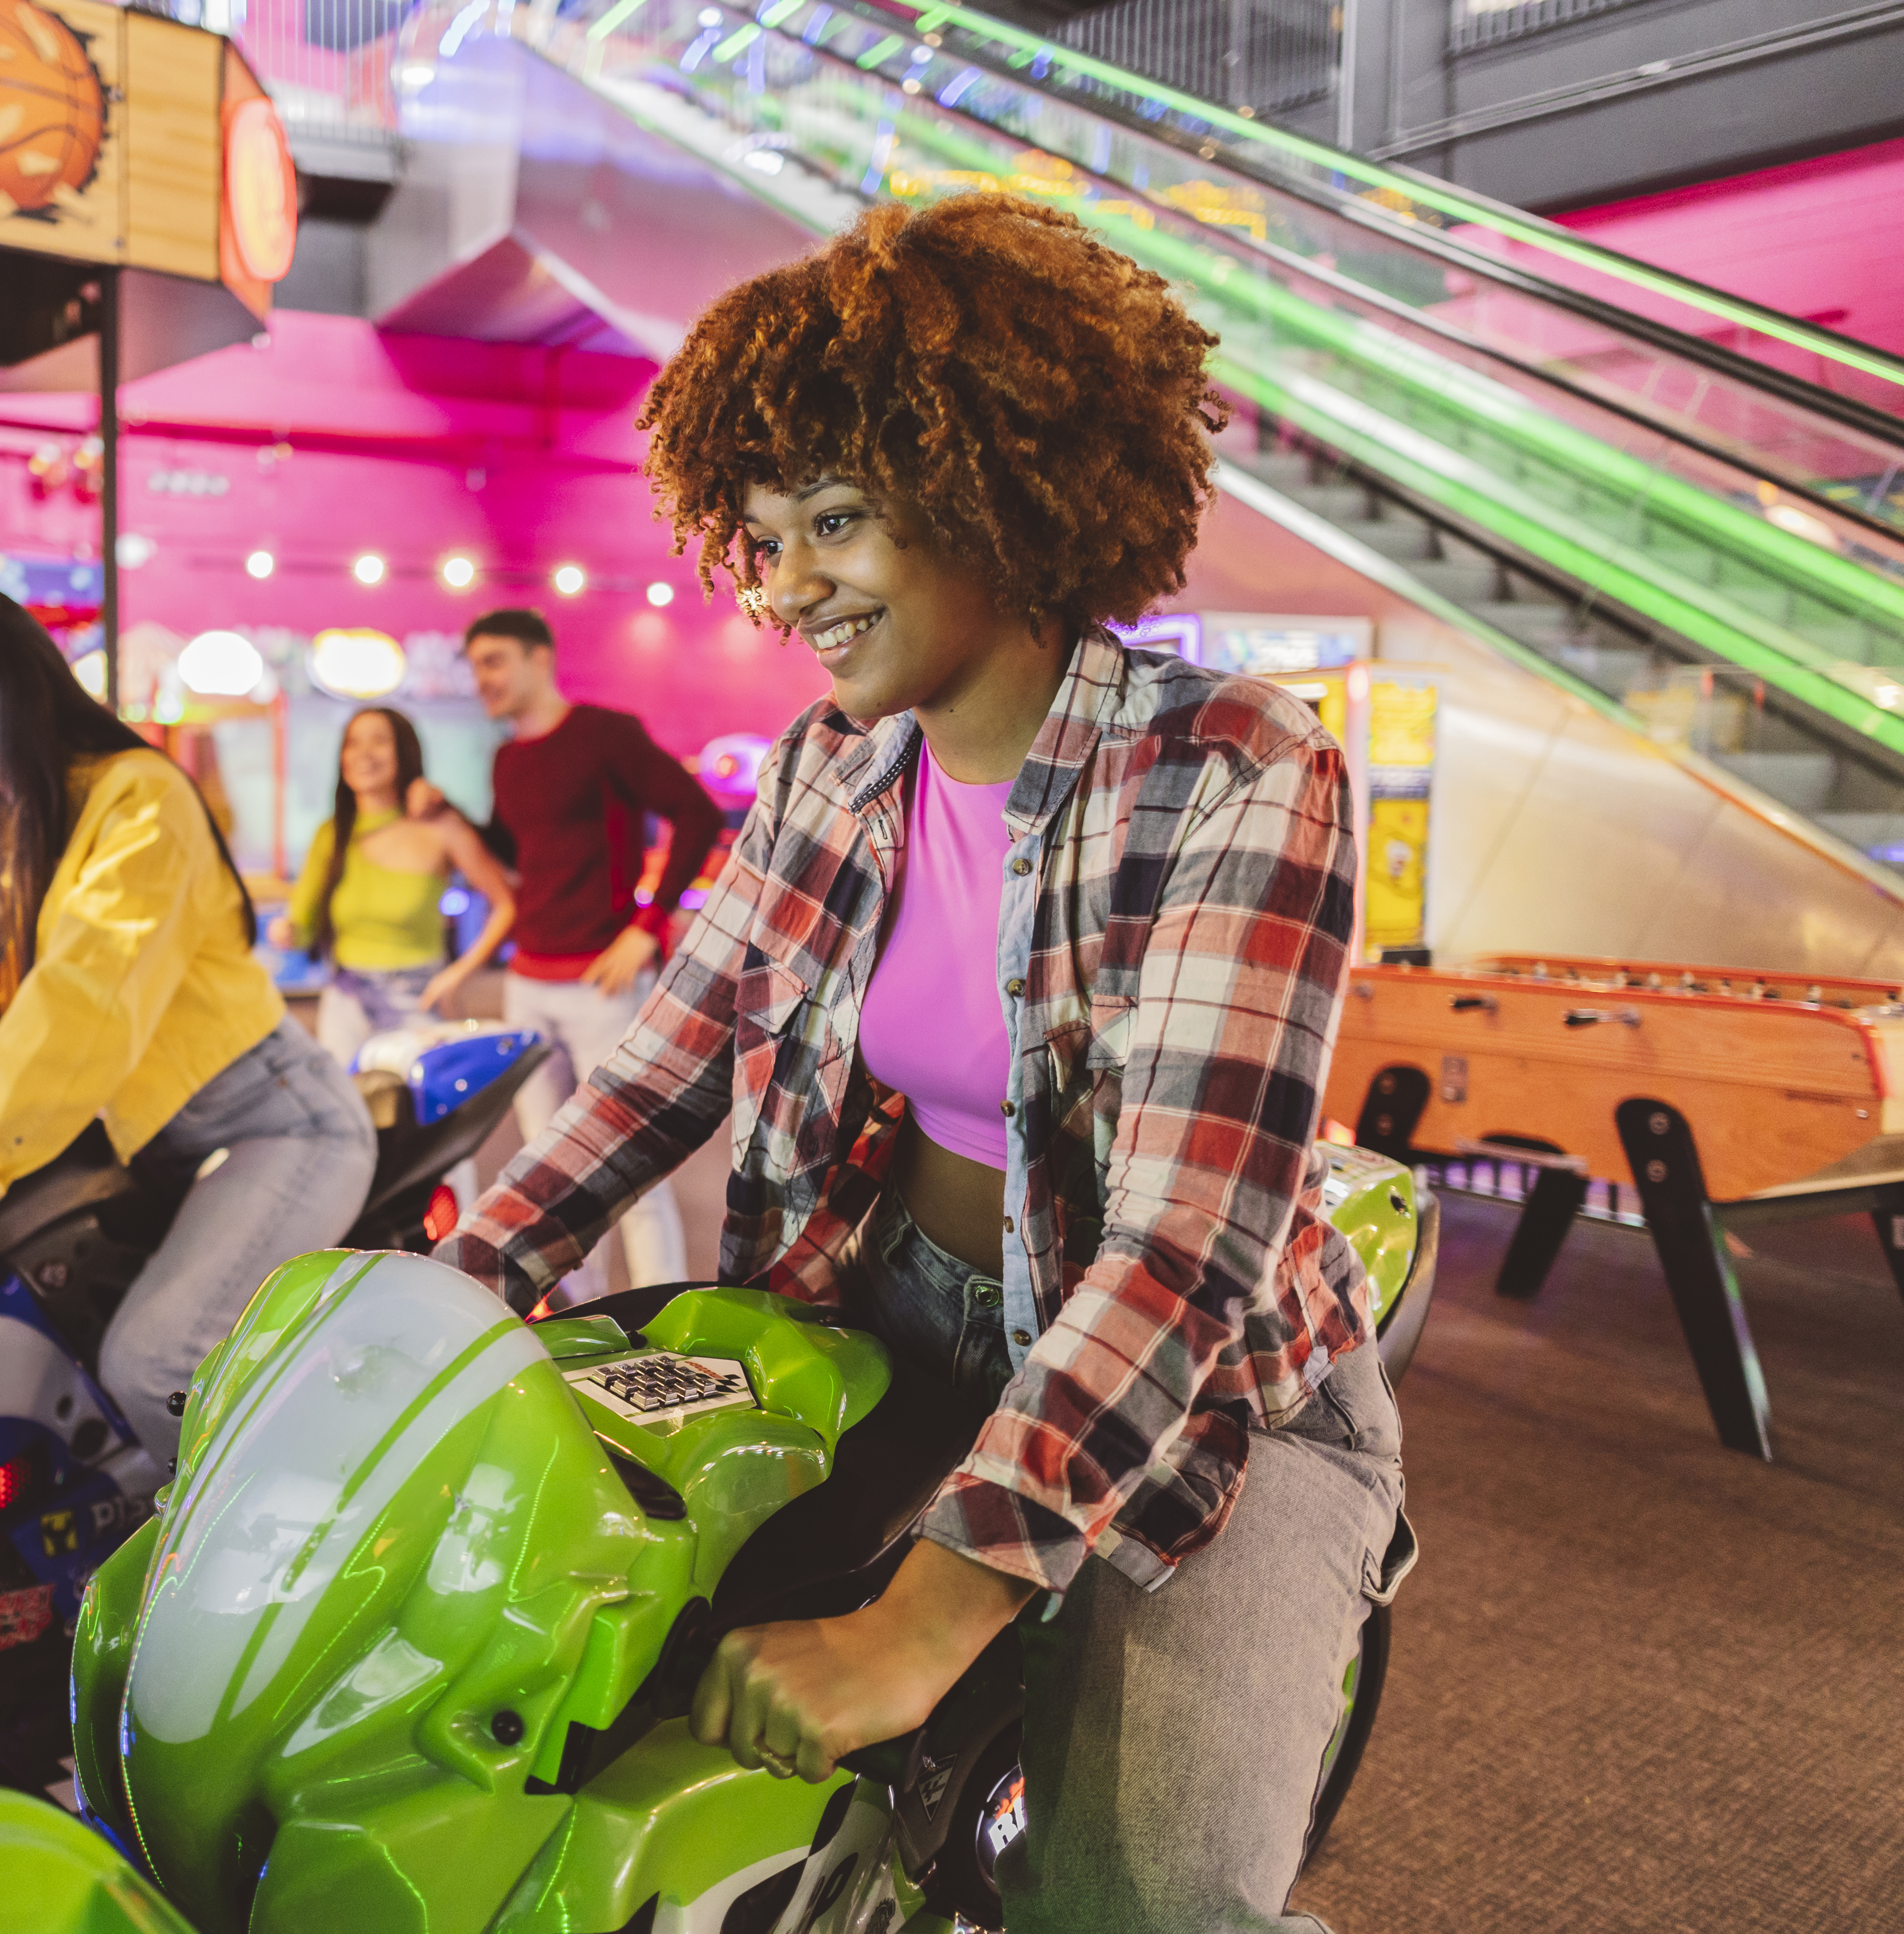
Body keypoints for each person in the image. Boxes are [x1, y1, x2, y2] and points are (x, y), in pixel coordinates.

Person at [437, 197, 1408, 1932]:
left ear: (993, 486)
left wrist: (932, 1606)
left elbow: (1184, 1240)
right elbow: (652, 1073)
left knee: (1143, 1897)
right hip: (891, 1314)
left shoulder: (1239, 768)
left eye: (835, 519)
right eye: (765, 533)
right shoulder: (832, 765)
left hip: (1217, 1406)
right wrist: (441, 1289)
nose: (790, 581)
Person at [0, 580, 376, 1466]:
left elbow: (85, 998)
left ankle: (290, 1547)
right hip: (160, 1145)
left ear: (7, 696)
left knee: (153, 1365)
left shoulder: (138, 802)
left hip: (276, 1125)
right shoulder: (11, 825)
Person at [431, 608, 721, 1294]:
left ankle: (661, 1314)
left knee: (630, 1165)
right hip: (527, 981)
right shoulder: (507, 758)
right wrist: (447, 815)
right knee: (550, 1171)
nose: (483, 679)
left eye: (495, 661)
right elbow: (513, 853)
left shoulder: (603, 735)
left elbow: (698, 813)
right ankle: (573, 1316)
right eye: (474, 667)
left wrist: (645, 927)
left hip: (602, 986)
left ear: (539, 659)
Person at [271, 707, 517, 1067]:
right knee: (351, 1119)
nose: (364, 754)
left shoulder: (439, 826)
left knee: (418, 1118)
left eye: (379, 741)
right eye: (353, 743)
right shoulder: (332, 834)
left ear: (404, 751)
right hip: (345, 1000)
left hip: (417, 1002)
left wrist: (458, 976)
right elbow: (302, 924)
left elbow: (506, 903)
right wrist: (287, 931)